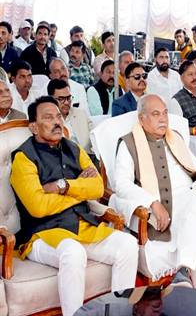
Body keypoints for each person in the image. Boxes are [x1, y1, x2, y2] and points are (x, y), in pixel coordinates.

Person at [10, 96, 138, 316]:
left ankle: (119, 312)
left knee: (127, 244)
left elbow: (97, 188)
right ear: (33, 127)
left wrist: (64, 186)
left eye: (58, 116)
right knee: (73, 252)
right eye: (48, 117)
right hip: (43, 234)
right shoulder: (24, 158)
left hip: (82, 227)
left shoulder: (74, 148)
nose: (56, 122)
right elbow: (38, 207)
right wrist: (80, 191)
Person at [111, 94, 196, 290]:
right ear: (142, 119)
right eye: (156, 114)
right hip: (158, 209)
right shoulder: (129, 143)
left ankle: (183, 271)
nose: (163, 119)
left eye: (165, 113)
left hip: (186, 201)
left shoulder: (175, 138)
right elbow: (121, 184)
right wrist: (152, 203)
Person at [48, 79, 94, 154]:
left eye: (68, 98)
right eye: (61, 99)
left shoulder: (81, 114)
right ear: (50, 99)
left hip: (86, 156)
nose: (66, 102)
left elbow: (95, 138)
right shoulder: (46, 120)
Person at [169, 60, 196, 135]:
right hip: (192, 139)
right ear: (181, 78)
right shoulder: (176, 100)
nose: (194, 77)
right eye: (190, 74)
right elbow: (177, 129)